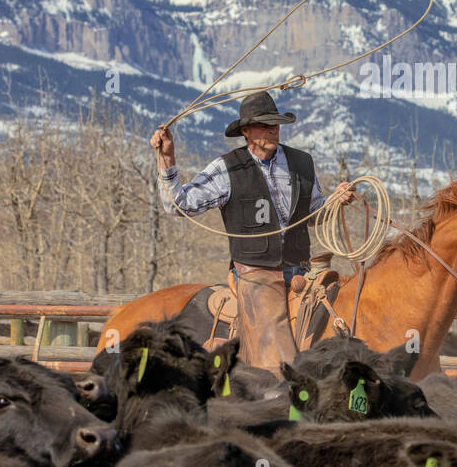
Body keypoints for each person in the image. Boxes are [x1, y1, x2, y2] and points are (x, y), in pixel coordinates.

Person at [150, 90, 354, 375]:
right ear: (245, 131)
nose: (273, 129)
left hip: (301, 269)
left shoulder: (302, 163)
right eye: (265, 124)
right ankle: (281, 386)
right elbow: (179, 205)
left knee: (349, 304)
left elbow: (313, 216)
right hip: (255, 273)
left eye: (276, 123)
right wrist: (167, 160)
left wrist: (335, 202)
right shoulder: (226, 168)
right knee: (278, 359)